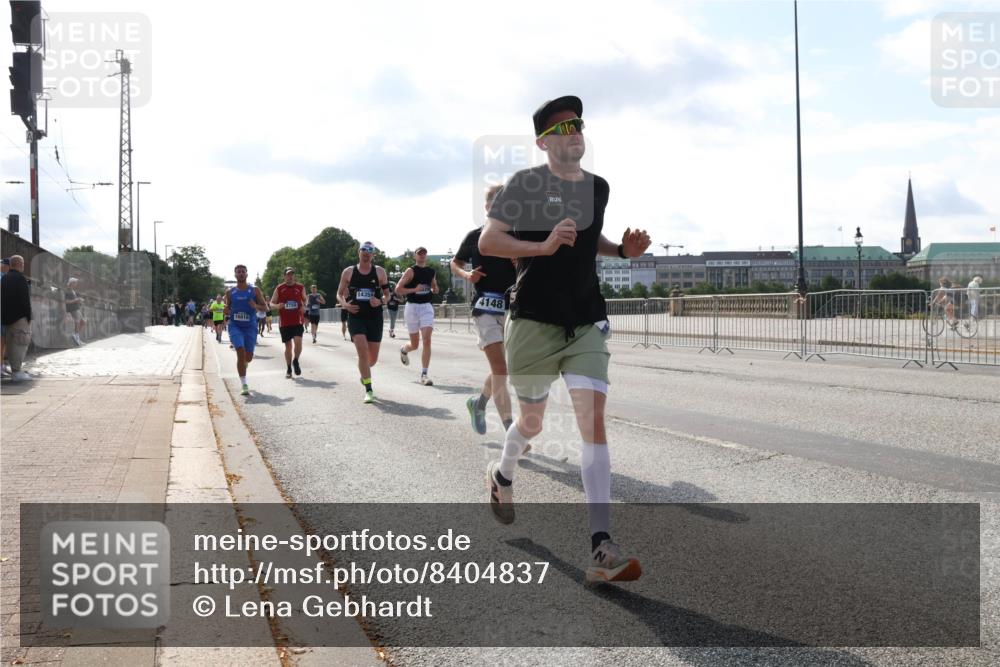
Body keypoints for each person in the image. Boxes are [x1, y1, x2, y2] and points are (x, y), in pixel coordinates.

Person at [479, 95, 651, 583]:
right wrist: (543, 244)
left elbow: (590, 239)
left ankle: (602, 546)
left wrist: (622, 250)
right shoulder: (524, 184)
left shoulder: (598, 187)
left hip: (584, 320)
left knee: (592, 421)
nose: (574, 131)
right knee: (531, 423)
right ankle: (503, 472)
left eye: (578, 123)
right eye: (562, 127)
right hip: (533, 320)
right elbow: (491, 241)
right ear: (543, 142)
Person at [451, 184, 518, 436]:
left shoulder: (517, 235)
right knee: (501, 370)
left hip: (513, 310)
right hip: (485, 308)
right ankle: (512, 432)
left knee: (504, 370)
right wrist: (467, 274)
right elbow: (454, 262)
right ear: (487, 207)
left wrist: (520, 261)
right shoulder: (475, 236)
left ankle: (478, 404)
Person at [338, 242, 391, 403]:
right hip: (356, 316)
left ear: (373, 254)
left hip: (375, 318)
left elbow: (388, 295)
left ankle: (364, 372)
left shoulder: (379, 272)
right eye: (364, 250)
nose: (367, 253)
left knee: (372, 360)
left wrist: (381, 301)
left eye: (370, 250)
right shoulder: (348, 272)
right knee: (362, 351)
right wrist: (345, 305)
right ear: (359, 252)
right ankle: (369, 389)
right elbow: (339, 294)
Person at [396, 247, 439, 385]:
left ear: (426, 256)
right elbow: (398, 289)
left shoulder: (431, 271)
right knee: (414, 345)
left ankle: (424, 374)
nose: (422, 255)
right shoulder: (410, 271)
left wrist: (435, 289)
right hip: (412, 307)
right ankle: (404, 350)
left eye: (424, 253)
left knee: (427, 340)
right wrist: (415, 289)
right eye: (419, 253)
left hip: (426, 307)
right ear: (415, 256)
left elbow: (435, 287)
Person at [225, 265, 269, 396]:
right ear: (235, 275)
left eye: (243, 272)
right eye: (238, 272)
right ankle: (244, 384)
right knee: (240, 351)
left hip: (250, 327)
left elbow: (265, 308)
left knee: (248, 357)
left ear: (246, 274)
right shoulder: (230, 292)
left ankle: (245, 364)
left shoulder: (254, 290)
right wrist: (226, 310)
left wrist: (255, 305)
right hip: (235, 326)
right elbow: (227, 308)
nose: (241, 273)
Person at [270, 267, 306, 378]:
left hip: (297, 320)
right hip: (285, 322)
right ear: (284, 276)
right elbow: (271, 303)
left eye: (292, 274)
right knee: (288, 347)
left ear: (294, 276)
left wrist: (304, 306)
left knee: (298, 342)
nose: (290, 277)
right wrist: (277, 306)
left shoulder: (300, 287)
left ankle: (296, 360)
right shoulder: (279, 288)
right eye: (288, 275)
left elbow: (305, 299)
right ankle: (289, 368)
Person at [1, 255, 33, 381]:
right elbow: (25, 300)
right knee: (20, 344)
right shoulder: (20, 279)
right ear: (20, 264)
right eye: (23, 264)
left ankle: (15, 370)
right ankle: (17, 372)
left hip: (6, 318)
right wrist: (29, 317)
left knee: (10, 344)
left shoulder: (4, 278)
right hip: (19, 318)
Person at [63, 277, 86, 346]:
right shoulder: (67, 290)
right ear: (71, 283)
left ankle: (75, 335)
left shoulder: (72, 290)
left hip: (76, 308)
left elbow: (74, 300)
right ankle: (77, 338)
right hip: (72, 309)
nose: (76, 284)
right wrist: (76, 300)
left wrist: (79, 300)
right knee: (78, 322)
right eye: (75, 283)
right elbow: (66, 301)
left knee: (83, 321)